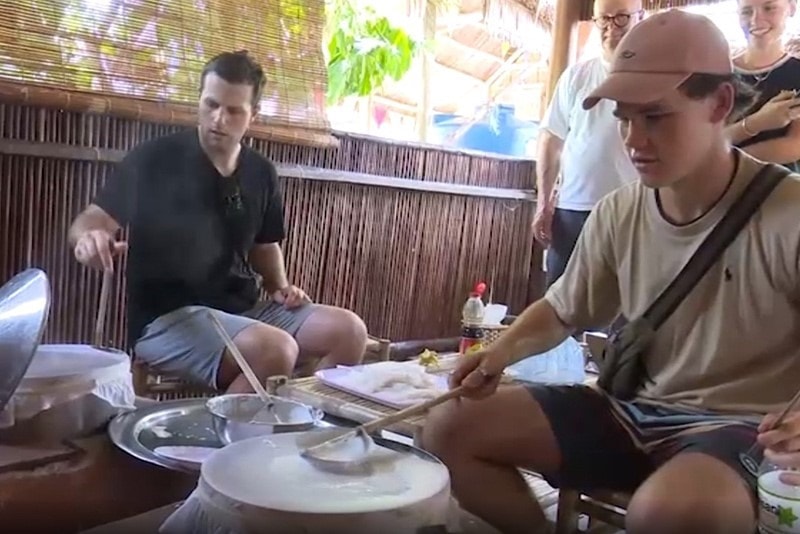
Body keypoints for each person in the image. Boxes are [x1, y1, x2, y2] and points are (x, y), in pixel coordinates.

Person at [422, 10, 800, 534]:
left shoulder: (790, 211)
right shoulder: (619, 211)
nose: (633, 138)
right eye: (624, 117)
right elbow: (563, 309)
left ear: (719, 104)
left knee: (670, 512)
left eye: (656, 117)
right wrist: (498, 353)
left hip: (740, 428)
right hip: (628, 409)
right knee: (448, 430)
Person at [68, 51, 367, 393]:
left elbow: (264, 244)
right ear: (199, 100)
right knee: (275, 349)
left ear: (252, 115)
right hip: (167, 319)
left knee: (349, 331)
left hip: (247, 312)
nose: (218, 119)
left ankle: (301, 426)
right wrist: (89, 239)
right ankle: (225, 444)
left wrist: (280, 288)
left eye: (233, 110)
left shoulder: (261, 172)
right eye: (211, 104)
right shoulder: (153, 159)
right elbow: (93, 219)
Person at [533, 0, 642, 287]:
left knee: (621, 309)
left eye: (621, 18)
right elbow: (550, 139)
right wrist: (544, 203)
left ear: (639, 17)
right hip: (572, 211)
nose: (611, 28)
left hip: (634, 212)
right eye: (603, 19)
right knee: (559, 303)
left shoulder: (655, 78)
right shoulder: (575, 76)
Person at [726, 0, 800, 171]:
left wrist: (725, 161)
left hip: (779, 188)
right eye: (746, 11)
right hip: (721, 189)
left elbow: (794, 145)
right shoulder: (720, 73)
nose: (756, 20)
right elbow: (708, 142)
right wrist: (758, 122)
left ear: (792, 8)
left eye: (769, 8)